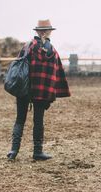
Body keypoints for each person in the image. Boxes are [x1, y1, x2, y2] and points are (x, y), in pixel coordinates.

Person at [7, 19, 70, 161]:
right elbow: (56, 73)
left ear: (37, 32)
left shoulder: (28, 46)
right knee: (38, 121)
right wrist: (51, 93)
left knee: (20, 120)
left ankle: (14, 151)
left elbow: (18, 66)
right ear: (47, 32)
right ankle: (37, 151)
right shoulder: (52, 51)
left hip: (24, 89)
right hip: (41, 91)